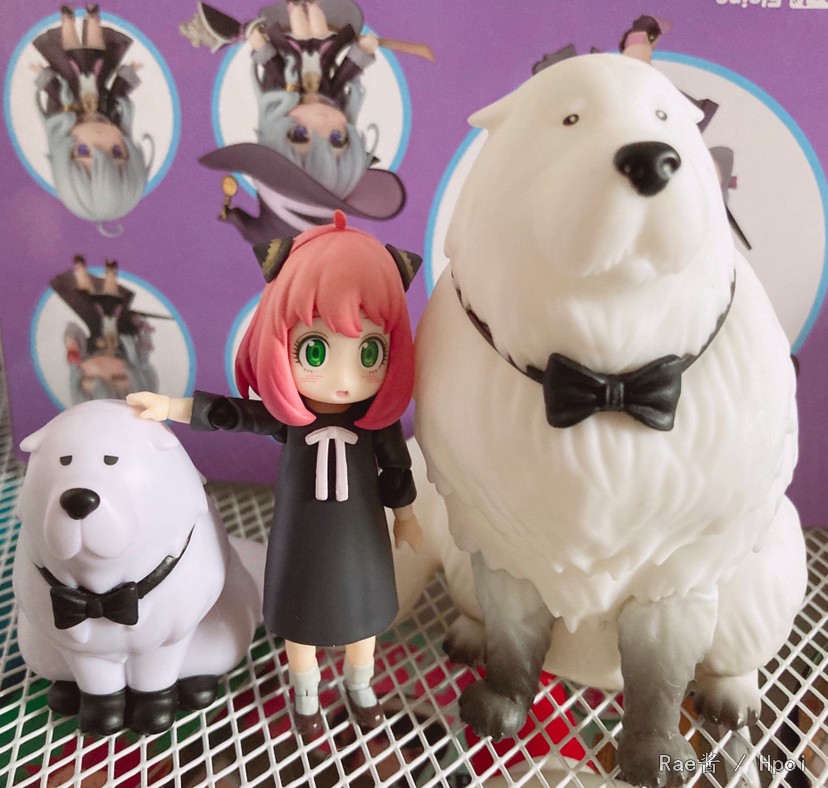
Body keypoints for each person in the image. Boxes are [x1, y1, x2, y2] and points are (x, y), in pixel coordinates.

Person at [128, 211, 422, 738]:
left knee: (365, 618)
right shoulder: (290, 420)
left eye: (369, 352)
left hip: (362, 539)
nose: (343, 378)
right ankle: (306, 696)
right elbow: (233, 413)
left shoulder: (375, 423)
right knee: (299, 621)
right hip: (300, 538)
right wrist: (172, 406)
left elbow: (396, 465)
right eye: (316, 350)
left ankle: (360, 686)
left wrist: (405, 515)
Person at [33, 4, 152, 230]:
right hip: (98, 73)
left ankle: (67, 20)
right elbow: (119, 90)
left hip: (72, 75)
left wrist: (43, 75)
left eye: (83, 150)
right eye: (117, 151)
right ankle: (93, 17)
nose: (100, 136)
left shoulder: (66, 106)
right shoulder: (110, 108)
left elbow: (55, 89)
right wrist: (129, 72)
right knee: (96, 51)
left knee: (69, 51)